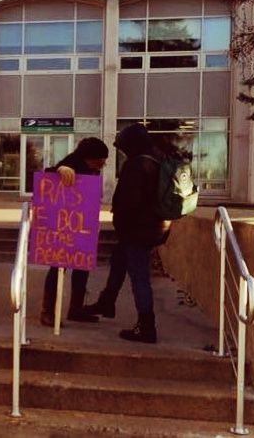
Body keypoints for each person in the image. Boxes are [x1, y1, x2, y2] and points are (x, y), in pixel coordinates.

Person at [82, 123, 172, 343]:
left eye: (123, 148)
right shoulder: (158, 159)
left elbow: (129, 202)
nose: (122, 152)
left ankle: (147, 326)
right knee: (119, 260)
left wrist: (120, 222)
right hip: (154, 226)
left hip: (138, 230)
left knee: (139, 276)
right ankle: (107, 302)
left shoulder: (138, 164)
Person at [39, 138, 109, 327]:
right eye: (101, 158)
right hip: (64, 229)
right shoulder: (71, 164)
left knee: (82, 268)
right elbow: (48, 175)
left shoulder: (93, 170)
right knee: (57, 269)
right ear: (90, 157)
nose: (104, 162)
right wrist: (60, 170)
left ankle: (76, 308)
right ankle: (48, 311)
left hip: (83, 227)